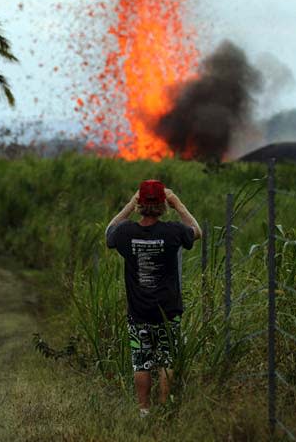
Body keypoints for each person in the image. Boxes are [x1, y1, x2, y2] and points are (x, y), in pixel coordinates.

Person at [105, 179, 202, 417]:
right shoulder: (173, 232)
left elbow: (109, 233)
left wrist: (129, 204)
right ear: (163, 205)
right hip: (168, 311)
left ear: (139, 203)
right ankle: (165, 408)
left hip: (138, 312)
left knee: (141, 361)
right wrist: (178, 204)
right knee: (167, 361)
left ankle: (144, 411)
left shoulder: (126, 233)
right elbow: (197, 231)